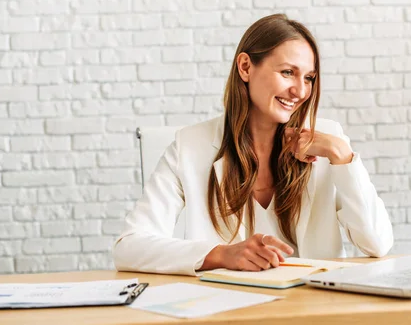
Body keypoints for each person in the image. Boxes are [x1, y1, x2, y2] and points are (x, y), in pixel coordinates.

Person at [113, 14, 393, 276]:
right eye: (287, 72)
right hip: (229, 310)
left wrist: (341, 156)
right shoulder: (190, 146)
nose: (301, 91)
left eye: (308, 77)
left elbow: (377, 244)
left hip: (312, 310)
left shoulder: (329, 140)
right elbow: (129, 247)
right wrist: (221, 255)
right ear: (245, 67)